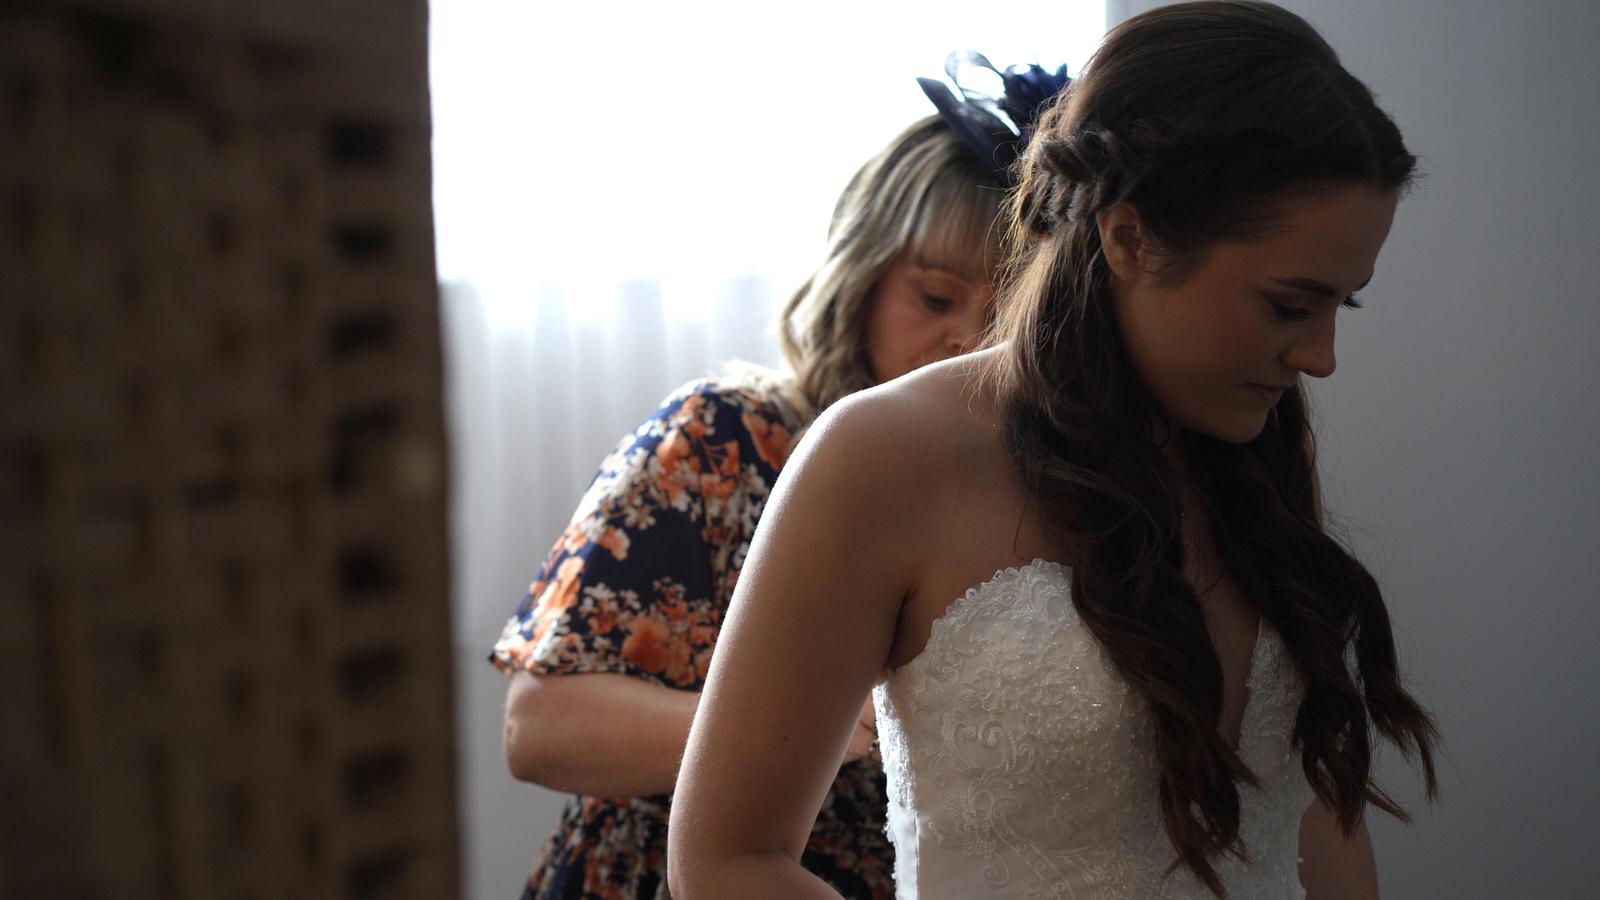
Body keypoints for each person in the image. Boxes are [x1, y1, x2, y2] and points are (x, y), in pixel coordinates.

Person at [668, 3, 1441, 899]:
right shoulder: (879, 458)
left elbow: (1315, 822)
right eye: (1287, 305)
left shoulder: (1262, 456)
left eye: (1339, 306)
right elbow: (729, 859)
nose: (1320, 358)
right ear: (1129, 238)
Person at [488, 104, 1018, 898]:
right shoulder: (721, 440)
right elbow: (540, 729)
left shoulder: (1030, 489)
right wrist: (834, 726)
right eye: (936, 300)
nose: (968, 344)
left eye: (1007, 313)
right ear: (859, 281)